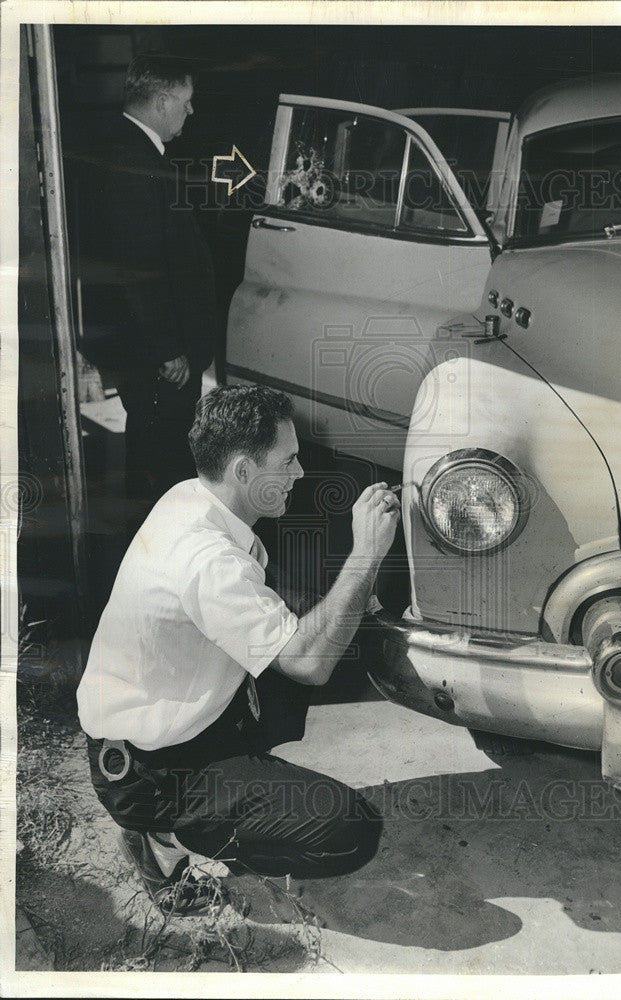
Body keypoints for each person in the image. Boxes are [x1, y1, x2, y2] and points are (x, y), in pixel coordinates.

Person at [76, 385, 399, 914]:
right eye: (288, 460)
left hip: (174, 726)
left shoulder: (193, 497)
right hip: (150, 774)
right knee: (350, 829)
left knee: (336, 622)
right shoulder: (207, 559)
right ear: (244, 471)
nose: (298, 473)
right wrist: (366, 554)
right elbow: (310, 665)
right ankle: (162, 840)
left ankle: (237, 789)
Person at [77, 53, 217, 523]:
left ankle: (152, 538)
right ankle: (163, 545)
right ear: (161, 101)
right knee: (164, 455)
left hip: (148, 344)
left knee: (152, 444)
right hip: (158, 353)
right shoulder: (134, 161)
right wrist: (168, 348)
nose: (190, 111)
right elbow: (135, 268)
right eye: (186, 101)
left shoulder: (119, 148)